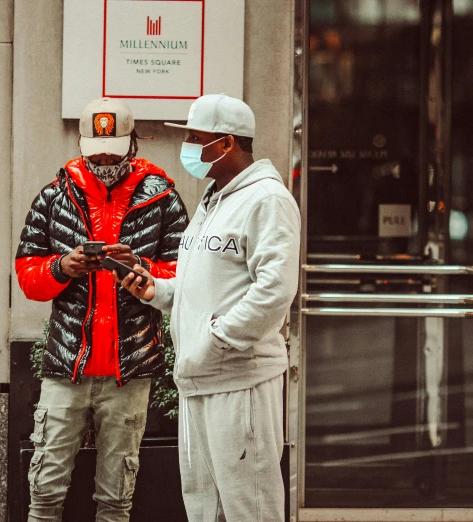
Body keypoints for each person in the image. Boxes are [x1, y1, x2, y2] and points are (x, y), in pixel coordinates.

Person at [118, 94, 300, 522]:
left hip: (240, 382)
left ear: (226, 143)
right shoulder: (213, 199)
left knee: (249, 506)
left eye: (196, 139)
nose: (189, 149)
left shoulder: (267, 200)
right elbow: (200, 283)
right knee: (205, 507)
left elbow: (274, 291)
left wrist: (216, 340)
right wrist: (155, 291)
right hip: (200, 380)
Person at [15, 97, 188, 522]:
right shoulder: (55, 196)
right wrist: (63, 266)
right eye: (96, 151)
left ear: (133, 144)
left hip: (129, 371)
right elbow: (27, 272)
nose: (105, 158)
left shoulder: (162, 197)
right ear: (80, 144)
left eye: (113, 149)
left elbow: (187, 273)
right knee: (44, 492)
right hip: (66, 365)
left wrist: (140, 267)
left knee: (116, 498)